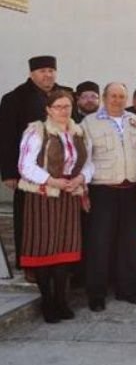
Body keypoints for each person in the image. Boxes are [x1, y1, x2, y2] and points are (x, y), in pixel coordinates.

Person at [17, 89, 93, 322]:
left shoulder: (79, 132)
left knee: (64, 250)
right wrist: (52, 181)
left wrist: (80, 179)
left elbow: (89, 164)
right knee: (44, 248)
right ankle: (47, 302)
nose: (63, 111)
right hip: (43, 197)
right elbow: (25, 165)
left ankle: (61, 299)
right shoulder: (37, 131)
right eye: (58, 106)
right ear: (48, 109)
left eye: (67, 106)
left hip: (69, 196)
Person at [81, 83, 136, 312]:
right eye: (113, 96)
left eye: (122, 96)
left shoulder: (134, 120)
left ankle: (127, 289)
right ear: (104, 97)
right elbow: (84, 159)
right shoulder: (90, 123)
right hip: (103, 190)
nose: (117, 100)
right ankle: (97, 294)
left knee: (130, 243)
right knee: (99, 243)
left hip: (131, 190)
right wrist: (84, 191)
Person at [1, 55, 71, 273]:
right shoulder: (15, 98)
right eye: (43, 71)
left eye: (51, 70)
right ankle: (29, 264)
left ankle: (60, 261)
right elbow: (6, 136)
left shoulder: (66, 95)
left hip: (61, 172)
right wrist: (9, 173)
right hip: (29, 172)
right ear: (32, 73)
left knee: (60, 220)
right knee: (28, 219)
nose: (48, 75)